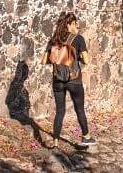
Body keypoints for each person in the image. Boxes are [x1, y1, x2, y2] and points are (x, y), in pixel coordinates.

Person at [41, 11, 96, 149]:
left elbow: (43, 61)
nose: (76, 26)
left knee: (60, 111)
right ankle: (86, 137)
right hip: (74, 81)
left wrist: (58, 58)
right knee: (79, 109)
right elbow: (87, 60)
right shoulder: (78, 39)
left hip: (58, 80)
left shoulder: (54, 40)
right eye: (75, 24)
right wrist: (79, 57)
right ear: (69, 24)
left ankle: (55, 141)